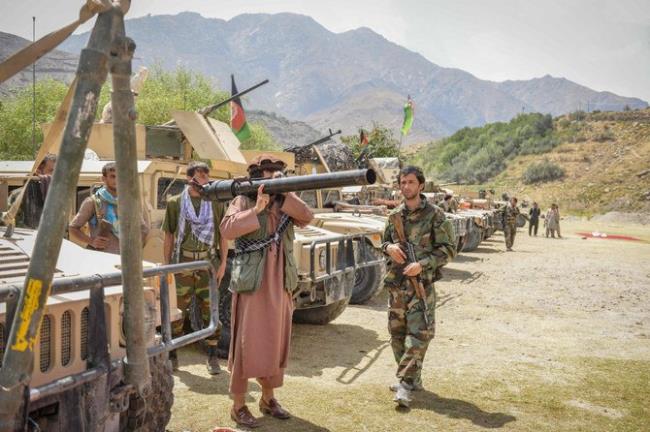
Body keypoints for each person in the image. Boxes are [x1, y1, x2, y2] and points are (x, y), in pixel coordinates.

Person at [220, 155, 313, 429]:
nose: (272, 176)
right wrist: (257, 210)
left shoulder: (286, 201)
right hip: (253, 283)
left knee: (276, 341)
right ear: (256, 174)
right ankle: (238, 405)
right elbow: (226, 230)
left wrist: (285, 197)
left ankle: (268, 399)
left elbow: (308, 217)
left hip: (280, 281)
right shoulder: (244, 199)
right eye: (266, 172)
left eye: (277, 173)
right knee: (246, 343)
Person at [382, 165, 457, 408]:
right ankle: (413, 378)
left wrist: (422, 265)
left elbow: (448, 249)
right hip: (397, 287)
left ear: (421, 185)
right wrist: (388, 248)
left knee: (420, 334)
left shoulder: (435, 216)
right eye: (403, 182)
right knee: (397, 336)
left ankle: (404, 384)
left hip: (421, 286)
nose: (406, 187)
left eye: (411, 182)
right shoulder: (394, 217)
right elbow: (384, 242)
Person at [162, 161, 228, 375]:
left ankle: (212, 356)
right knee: (177, 312)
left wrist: (223, 263)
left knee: (211, 311)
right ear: (190, 179)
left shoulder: (216, 203)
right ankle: (173, 355)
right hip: (183, 263)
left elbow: (223, 235)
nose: (205, 182)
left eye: (207, 177)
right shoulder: (175, 203)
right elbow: (169, 235)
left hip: (208, 264)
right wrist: (167, 267)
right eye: (201, 177)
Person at [69, 162, 149, 254]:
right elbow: (73, 228)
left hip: (125, 259)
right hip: (101, 257)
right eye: (113, 176)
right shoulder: (93, 202)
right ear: (104, 179)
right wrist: (92, 241)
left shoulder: (129, 203)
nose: (117, 180)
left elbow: (143, 229)